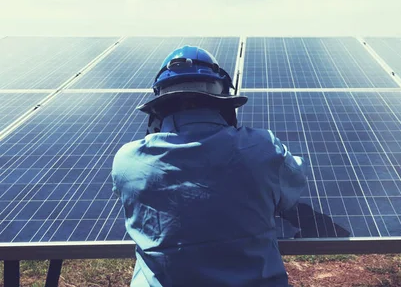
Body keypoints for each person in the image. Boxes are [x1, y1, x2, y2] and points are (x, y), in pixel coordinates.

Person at [112, 46, 308, 287]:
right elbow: (291, 192)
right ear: (224, 102)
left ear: (159, 107)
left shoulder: (127, 160)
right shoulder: (264, 148)